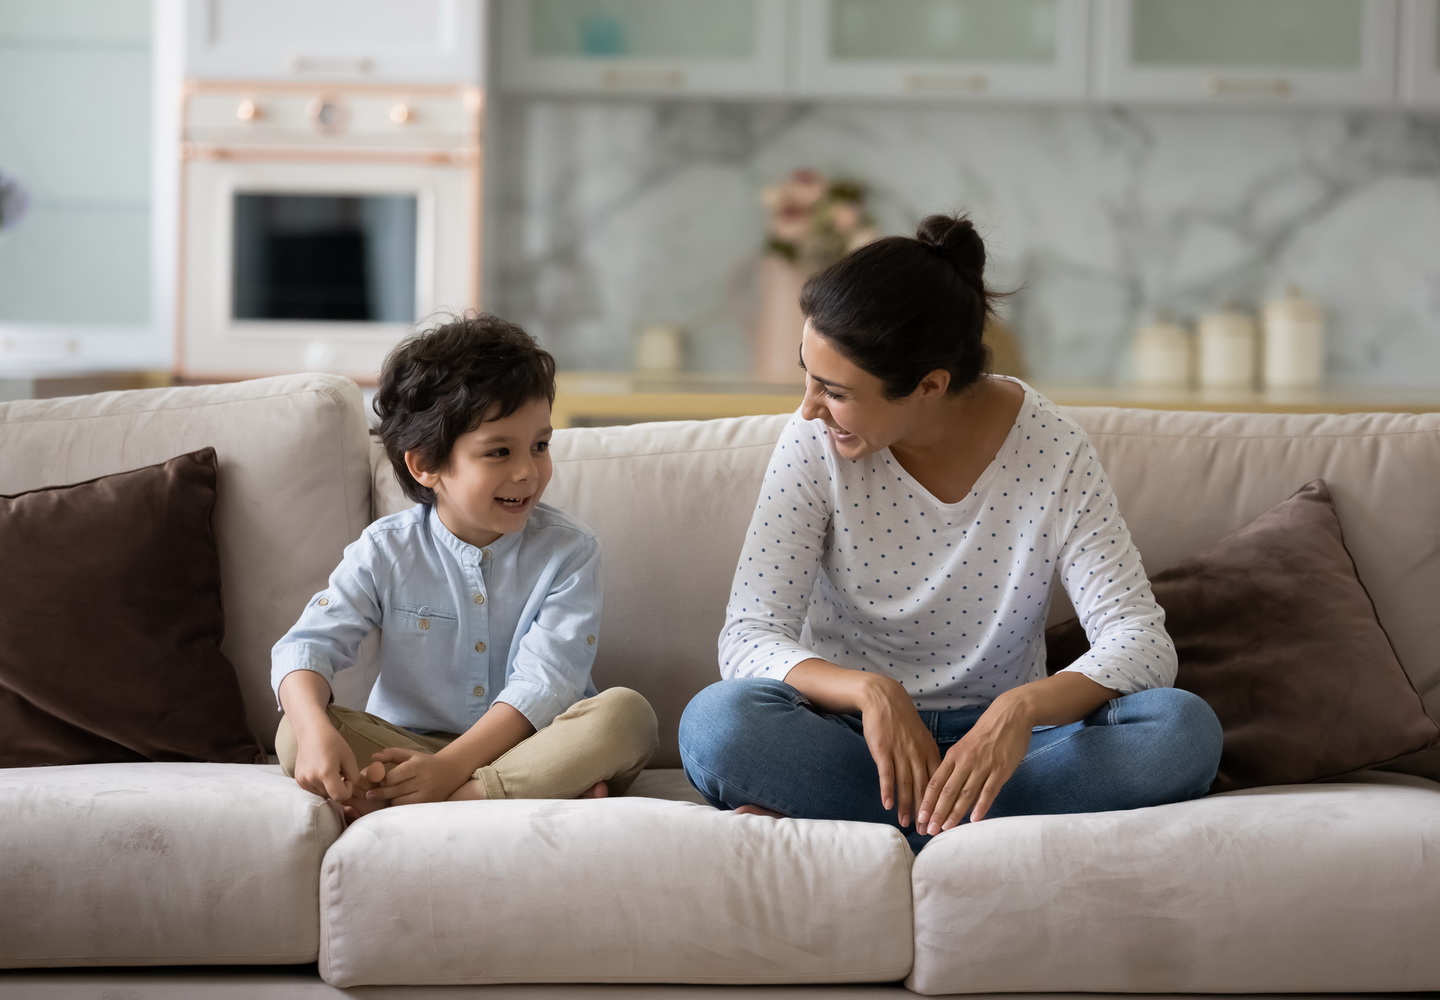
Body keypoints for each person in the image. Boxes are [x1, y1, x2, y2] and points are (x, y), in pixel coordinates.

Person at [678, 214, 1222, 851]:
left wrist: (1019, 711)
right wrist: (871, 693)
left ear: (929, 385)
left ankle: (871, 820)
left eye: (834, 391)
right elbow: (749, 635)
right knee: (717, 724)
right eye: (808, 376)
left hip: (1007, 754)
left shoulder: (1053, 452)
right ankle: (965, 830)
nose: (808, 407)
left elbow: (1141, 642)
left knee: (1182, 730)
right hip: (850, 738)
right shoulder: (813, 442)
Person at [272, 312, 657, 821]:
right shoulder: (385, 549)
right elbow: (307, 646)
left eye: (540, 445)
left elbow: (546, 685)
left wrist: (448, 772)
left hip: (533, 742)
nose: (528, 471)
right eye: (499, 451)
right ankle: (534, 790)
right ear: (425, 465)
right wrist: (317, 731)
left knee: (627, 716)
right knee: (294, 732)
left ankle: (456, 797)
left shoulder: (570, 552)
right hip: (411, 747)